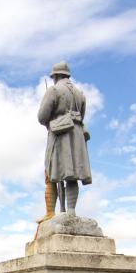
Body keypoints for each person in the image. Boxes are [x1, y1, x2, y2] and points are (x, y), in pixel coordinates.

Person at [37, 61, 91, 217]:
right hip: (77, 136)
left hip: (60, 135)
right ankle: (71, 212)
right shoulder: (80, 94)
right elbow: (81, 115)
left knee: (53, 171)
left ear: (55, 76)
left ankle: (52, 213)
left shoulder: (53, 90)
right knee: (72, 175)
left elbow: (42, 117)